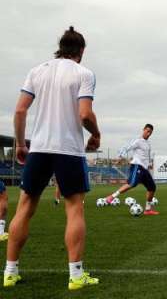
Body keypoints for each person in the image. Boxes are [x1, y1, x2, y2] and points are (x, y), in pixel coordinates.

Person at [5, 27, 100, 290]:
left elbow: (20, 110)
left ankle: (10, 271)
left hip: (39, 147)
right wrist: (97, 134)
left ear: (60, 47)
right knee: (74, 209)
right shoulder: (84, 74)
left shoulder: (37, 70)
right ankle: (76, 276)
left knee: (24, 207)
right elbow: (85, 115)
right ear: (81, 52)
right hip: (68, 149)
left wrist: (20, 144)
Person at [105, 124, 158, 215]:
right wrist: (120, 157)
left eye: (150, 132)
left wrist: (149, 164)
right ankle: (111, 197)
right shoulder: (138, 141)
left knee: (152, 188)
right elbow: (126, 147)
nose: (148, 133)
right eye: (147, 131)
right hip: (137, 166)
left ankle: (148, 209)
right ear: (143, 130)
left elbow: (145, 157)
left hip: (145, 169)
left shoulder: (148, 144)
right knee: (132, 183)